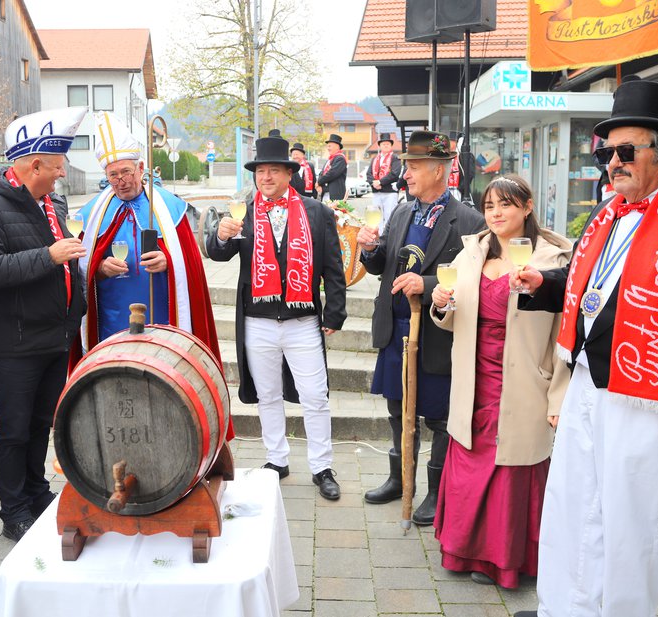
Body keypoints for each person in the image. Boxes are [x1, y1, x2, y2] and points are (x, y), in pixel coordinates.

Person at [511, 80, 658, 617]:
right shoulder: (609, 213)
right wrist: (544, 286)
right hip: (589, 388)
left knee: (628, 531)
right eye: (605, 151)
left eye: (625, 151)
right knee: (572, 509)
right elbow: (591, 287)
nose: (611, 163)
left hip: (650, 406)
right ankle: (564, 607)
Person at [429, 174, 571, 588]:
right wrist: (442, 302)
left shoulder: (554, 262)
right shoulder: (471, 253)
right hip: (474, 379)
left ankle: (505, 561)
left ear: (527, 207)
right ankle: (464, 551)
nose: (495, 213)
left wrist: (557, 400)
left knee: (511, 470)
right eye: (489, 206)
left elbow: (565, 338)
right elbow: (451, 314)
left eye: (505, 205)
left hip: (525, 381)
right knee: (469, 470)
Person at [0, 107, 89, 543]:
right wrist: (49, 257)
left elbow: (68, 259)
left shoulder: (51, 202)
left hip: (55, 335)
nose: (60, 177)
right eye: (55, 169)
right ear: (33, 165)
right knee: (14, 430)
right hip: (15, 343)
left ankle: (36, 494)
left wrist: (80, 299)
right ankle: (13, 510)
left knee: (41, 423)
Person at [206, 136, 347, 499]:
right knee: (268, 395)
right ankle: (277, 459)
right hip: (258, 320)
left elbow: (333, 267)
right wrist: (221, 237)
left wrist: (335, 311)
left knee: (315, 396)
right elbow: (218, 255)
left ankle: (321, 466)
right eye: (260, 171)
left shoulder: (317, 212)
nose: (266, 177)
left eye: (273, 170)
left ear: (288, 173)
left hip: (303, 322)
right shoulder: (243, 212)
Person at [356, 131, 485, 525]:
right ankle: (399, 477)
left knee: (439, 416)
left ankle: (436, 491)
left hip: (437, 334)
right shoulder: (401, 212)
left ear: (439, 169)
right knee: (398, 408)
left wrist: (427, 287)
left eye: (412, 167)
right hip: (396, 329)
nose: (404, 174)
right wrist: (370, 251)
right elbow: (386, 268)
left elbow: (475, 282)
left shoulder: (469, 220)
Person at [78, 112, 221, 362]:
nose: (121, 181)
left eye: (126, 172)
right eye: (113, 175)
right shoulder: (92, 216)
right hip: (111, 320)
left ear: (141, 168)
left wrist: (169, 261)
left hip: (162, 315)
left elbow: (191, 266)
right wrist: (99, 267)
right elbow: (79, 268)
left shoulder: (169, 208)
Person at [366, 132, 402, 231]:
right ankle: (379, 239)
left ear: (391, 145)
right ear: (380, 145)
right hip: (377, 192)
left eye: (388, 144)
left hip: (389, 192)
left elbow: (395, 174)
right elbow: (368, 174)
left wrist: (380, 182)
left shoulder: (395, 158)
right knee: (377, 218)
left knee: (389, 216)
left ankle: (389, 240)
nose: (386, 145)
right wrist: (374, 183)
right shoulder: (375, 159)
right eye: (383, 144)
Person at [317, 133, 347, 201]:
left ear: (337, 146)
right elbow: (322, 173)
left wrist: (319, 182)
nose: (328, 148)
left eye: (330, 146)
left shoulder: (340, 159)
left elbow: (332, 174)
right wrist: (318, 184)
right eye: (328, 146)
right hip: (325, 193)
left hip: (335, 195)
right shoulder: (329, 160)